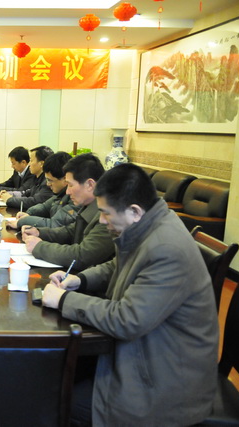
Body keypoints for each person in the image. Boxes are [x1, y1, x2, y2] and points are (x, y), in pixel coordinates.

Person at [42, 163, 218, 426]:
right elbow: (118, 265)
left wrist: (64, 300)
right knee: (54, 374)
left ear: (134, 211)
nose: (102, 220)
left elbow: (127, 319)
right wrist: (80, 279)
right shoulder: (149, 225)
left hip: (164, 381)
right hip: (145, 353)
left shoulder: (166, 249)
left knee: (54, 402)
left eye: (106, 213)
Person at [22, 153, 114, 271]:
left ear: (90, 185)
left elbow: (81, 256)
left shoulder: (107, 216)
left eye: (70, 185)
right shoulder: (89, 206)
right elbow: (70, 231)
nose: (67, 192)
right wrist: (39, 233)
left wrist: (40, 247)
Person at [8, 151, 77, 229]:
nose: (48, 184)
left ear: (65, 179)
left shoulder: (76, 198)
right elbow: (44, 207)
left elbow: (54, 224)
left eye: (50, 180)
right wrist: (29, 214)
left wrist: (23, 221)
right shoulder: (60, 194)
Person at [0, 146, 54, 210]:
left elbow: (34, 201)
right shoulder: (37, 177)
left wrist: (9, 199)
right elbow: (26, 193)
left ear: (41, 163)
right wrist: (10, 194)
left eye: (31, 160)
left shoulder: (48, 182)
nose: (29, 164)